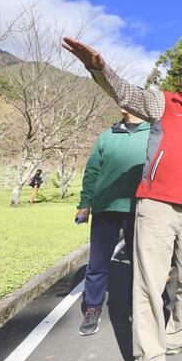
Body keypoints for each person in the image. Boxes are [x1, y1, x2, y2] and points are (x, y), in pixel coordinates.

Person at [62, 37, 182, 361]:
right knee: (150, 282)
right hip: (157, 204)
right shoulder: (162, 101)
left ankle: (180, 333)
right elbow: (124, 93)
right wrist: (98, 67)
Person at [75, 109, 150, 335]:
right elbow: (92, 171)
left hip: (139, 209)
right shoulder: (107, 135)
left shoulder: (154, 134)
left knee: (140, 263)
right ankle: (92, 308)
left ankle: (136, 307)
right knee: (97, 262)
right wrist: (85, 204)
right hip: (105, 207)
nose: (122, 103)